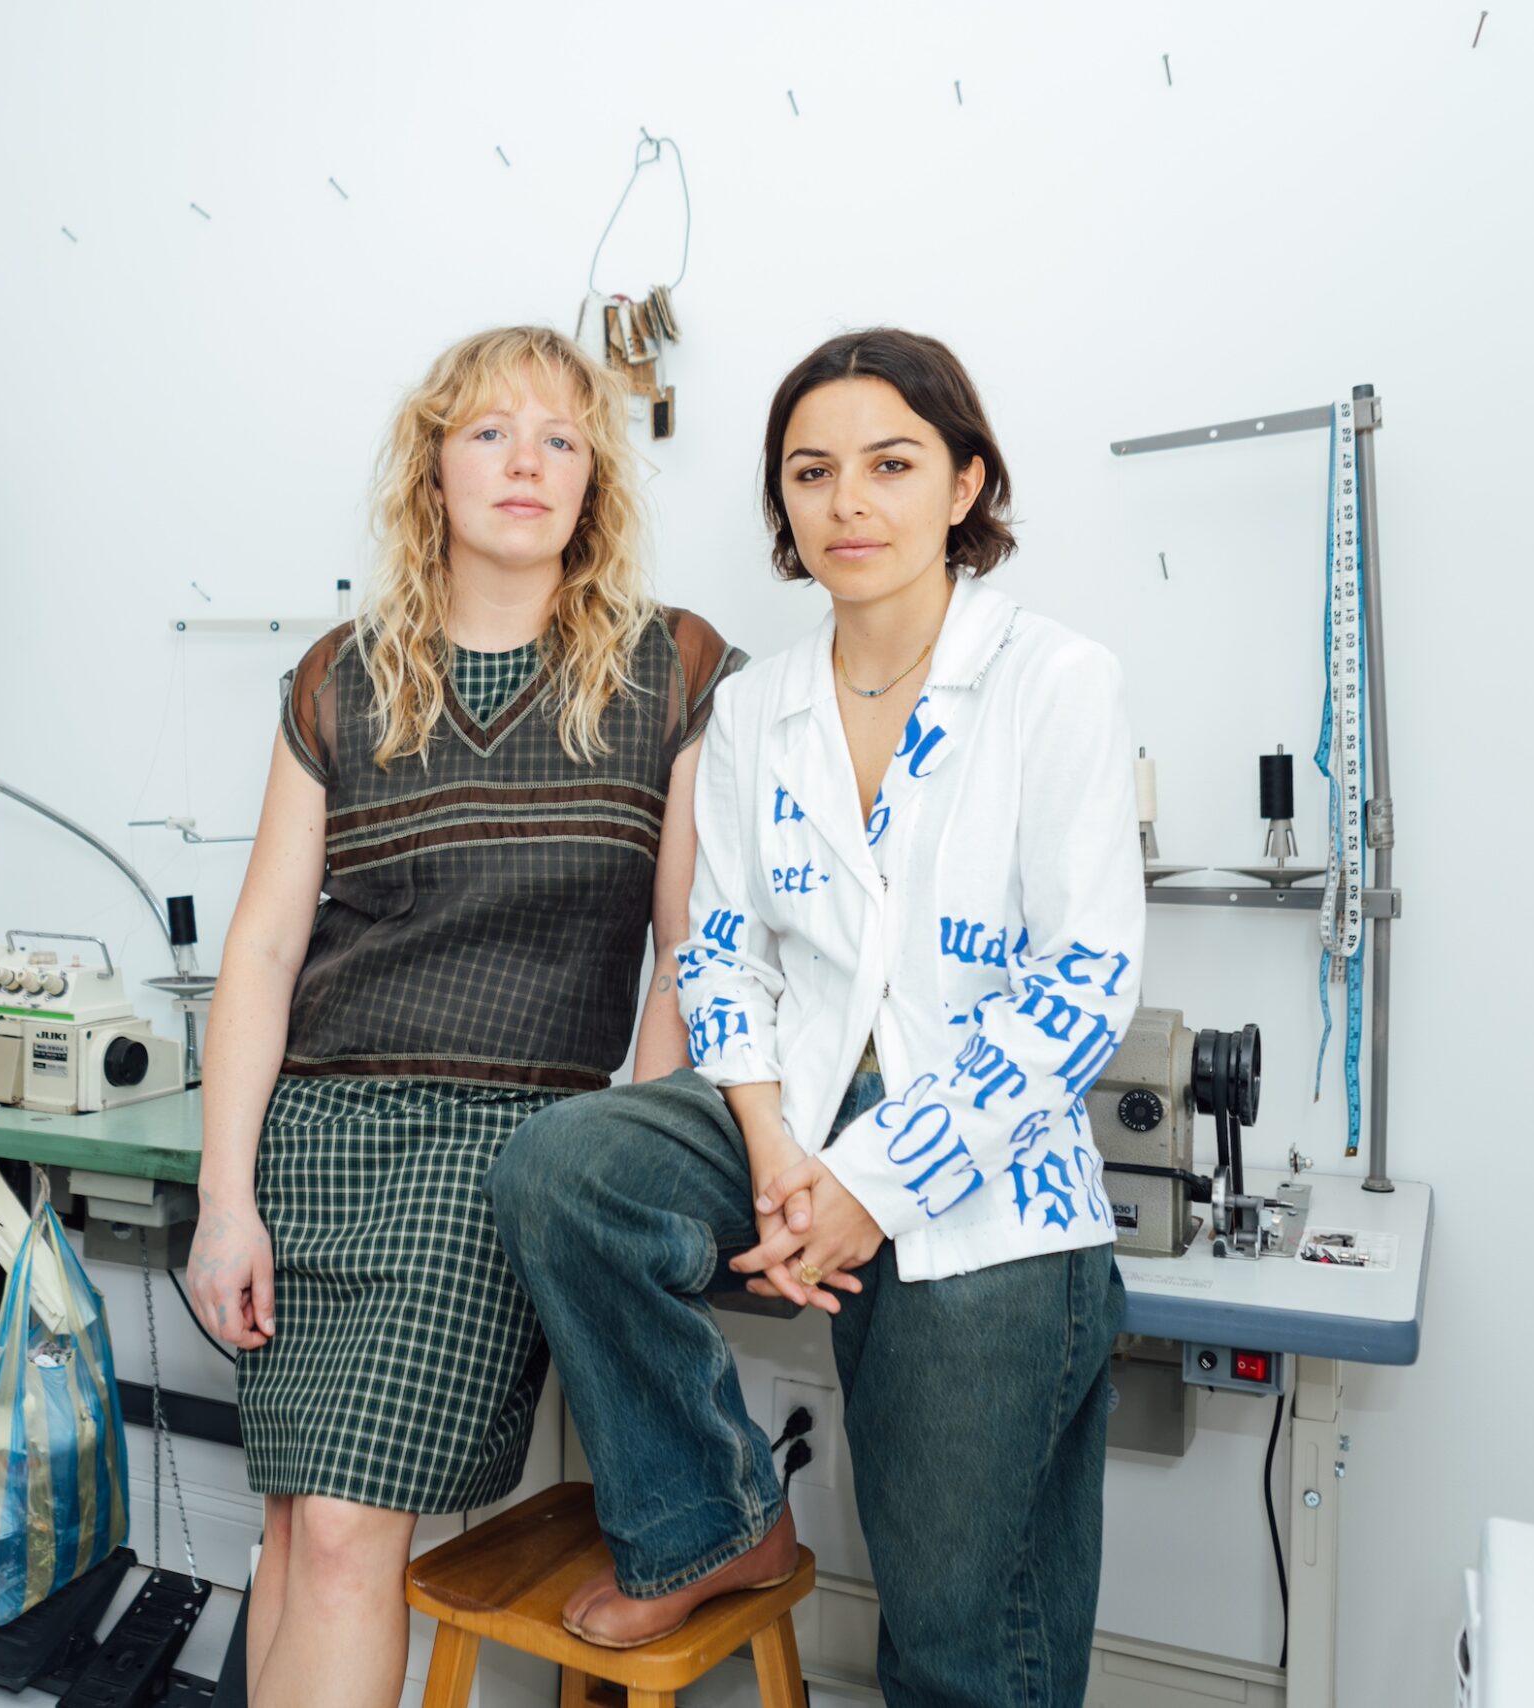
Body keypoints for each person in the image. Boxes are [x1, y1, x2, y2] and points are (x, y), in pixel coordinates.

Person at [490, 328, 1145, 1704]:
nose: (848, 501)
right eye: (811, 471)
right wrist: (781, 1155)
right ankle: (716, 1522)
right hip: (785, 1110)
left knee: (959, 1631)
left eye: (891, 464)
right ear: (784, 505)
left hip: (988, 1178)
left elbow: (1082, 984)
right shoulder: (759, 707)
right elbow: (718, 952)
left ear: (966, 483)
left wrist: (871, 1184)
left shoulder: (1055, 682)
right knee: (566, 1169)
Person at [185, 325, 743, 1708]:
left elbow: (691, 953)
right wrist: (224, 1195)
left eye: (562, 438)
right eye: (491, 431)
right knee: (290, 1525)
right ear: (431, 469)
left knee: (340, 1532)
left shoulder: (669, 668)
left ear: (594, 483)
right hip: (313, 1144)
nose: (527, 463)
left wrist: (623, 1154)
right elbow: (261, 950)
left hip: (501, 1155)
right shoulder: (341, 676)